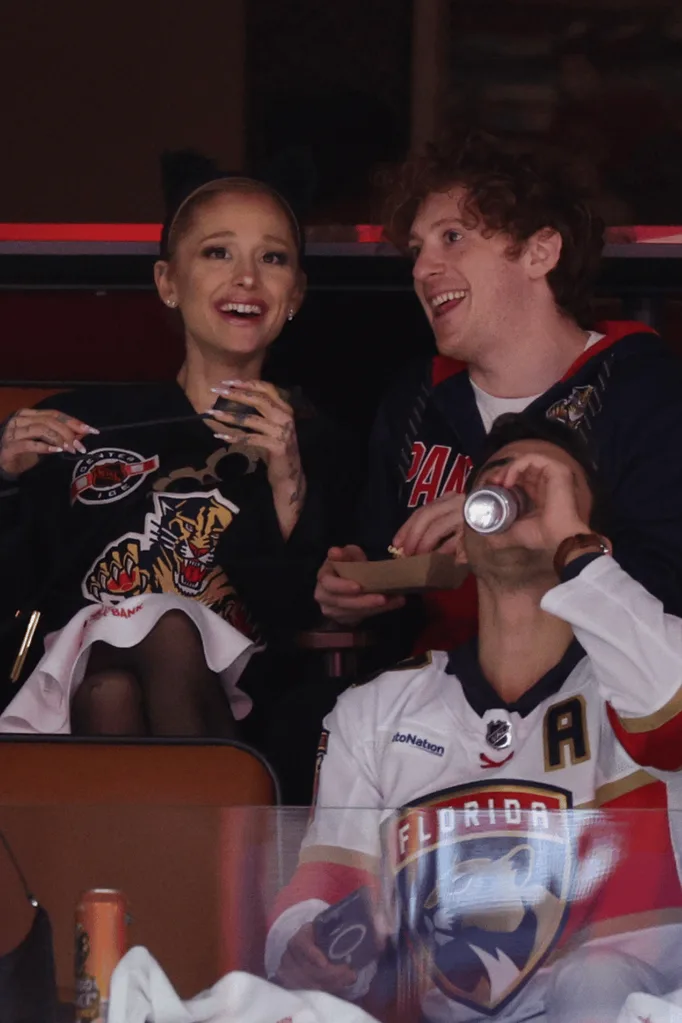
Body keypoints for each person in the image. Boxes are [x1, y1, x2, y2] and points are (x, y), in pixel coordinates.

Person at [268, 415, 682, 1022]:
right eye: (494, 484)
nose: (519, 497)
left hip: (614, 1008)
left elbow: (671, 717)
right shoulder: (376, 710)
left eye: (549, 488)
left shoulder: (642, 675)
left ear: (594, 545)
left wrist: (572, 547)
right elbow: (327, 882)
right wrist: (298, 940)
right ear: (461, 539)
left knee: (594, 978)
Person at [0, 171, 349, 744]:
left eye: (273, 259)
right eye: (218, 252)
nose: (246, 277)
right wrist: (6, 479)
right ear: (168, 282)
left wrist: (287, 481)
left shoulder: (316, 440)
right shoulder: (80, 422)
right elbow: (18, 585)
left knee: (153, 645)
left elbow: (307, 622)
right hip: (64, 711)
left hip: (244, 709)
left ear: (297, 295)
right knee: (110, 688)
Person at [315, 129, 682, 661]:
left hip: (598, 696)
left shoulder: (645, 392)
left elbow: (667, 588)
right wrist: (355, 581)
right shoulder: (416, 400)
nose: (421, 269)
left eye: (454, 237)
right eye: (417, 250)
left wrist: (504, 521)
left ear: (539, 252)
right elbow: (386, 551)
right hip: (441, 702)